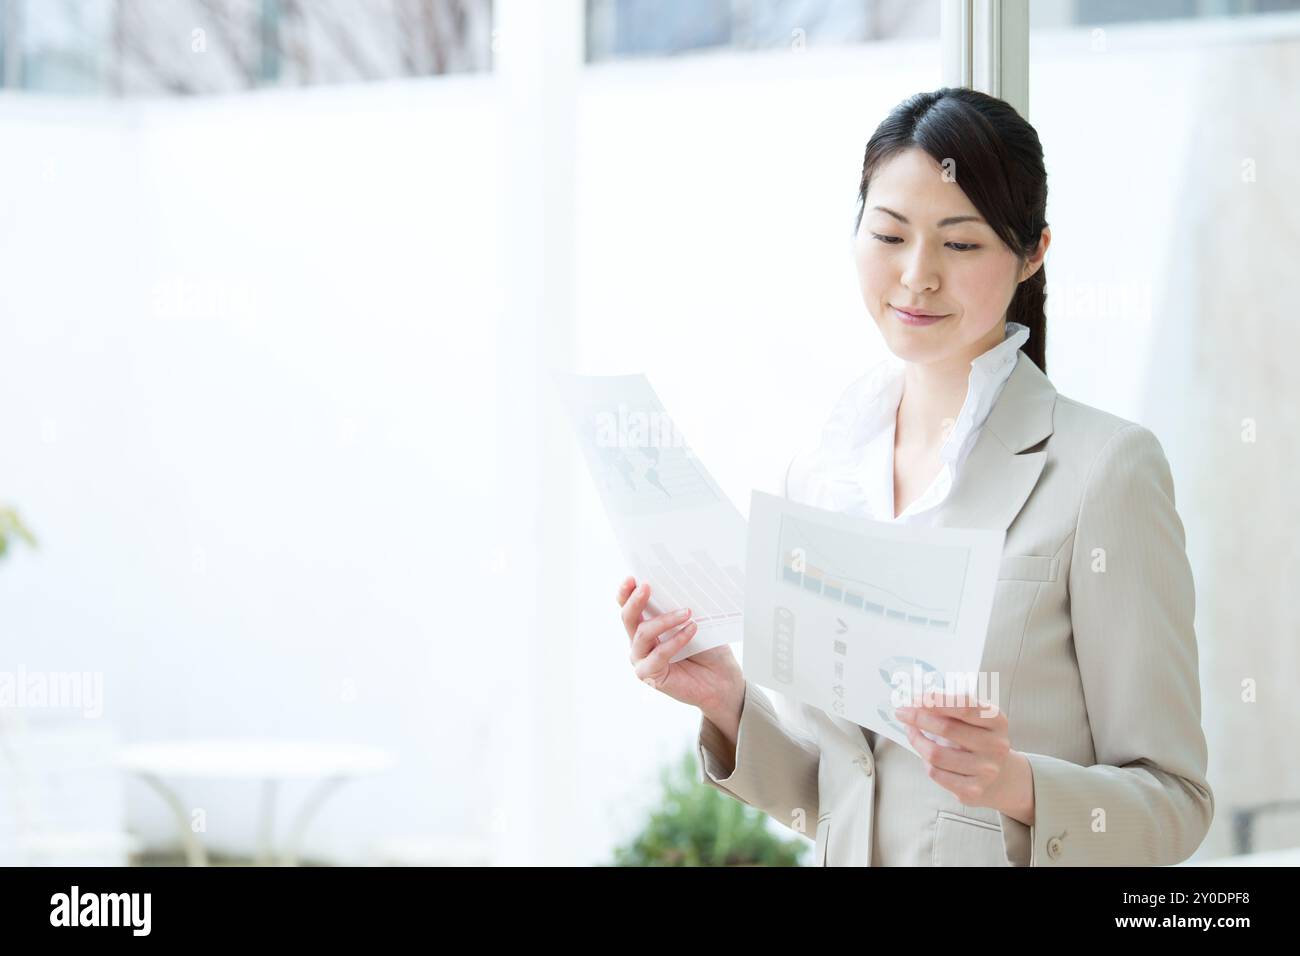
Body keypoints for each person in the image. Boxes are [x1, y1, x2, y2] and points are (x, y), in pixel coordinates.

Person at [617, 87, 1213, 866]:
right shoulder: (823, 473)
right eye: (890, 234)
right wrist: (727, 702)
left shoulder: (1104, 472)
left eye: (960, 245)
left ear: (1033, 252)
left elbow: (1176, 804)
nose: (917, 276)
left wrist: (1015, 784)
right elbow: (841, 798)